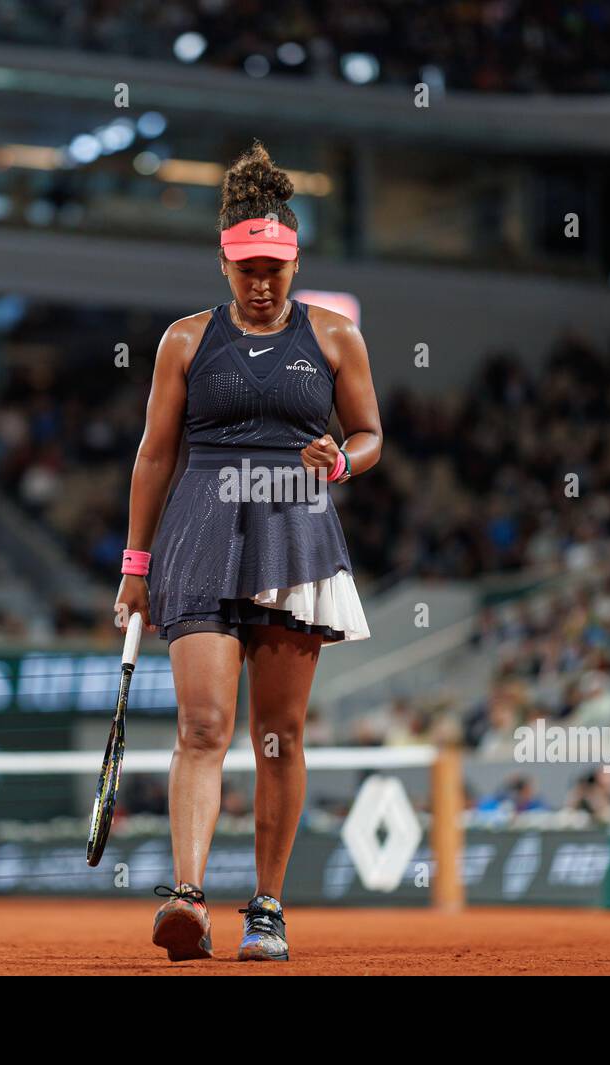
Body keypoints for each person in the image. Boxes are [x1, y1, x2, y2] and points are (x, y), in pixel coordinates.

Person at [115, 142, 381, 963]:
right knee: (202, 724)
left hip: (295, 537)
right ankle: (187, 898)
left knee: (280, 736)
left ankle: (266, 906)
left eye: (273, 265)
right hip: (198, 537)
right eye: (245, 267)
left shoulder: (335, 339)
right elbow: (155, 455)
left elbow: (370, 435)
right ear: (223, 263)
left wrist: (340, 458)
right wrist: (134, 566)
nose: (260, 281)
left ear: (295, 260)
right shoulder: (184, 342)